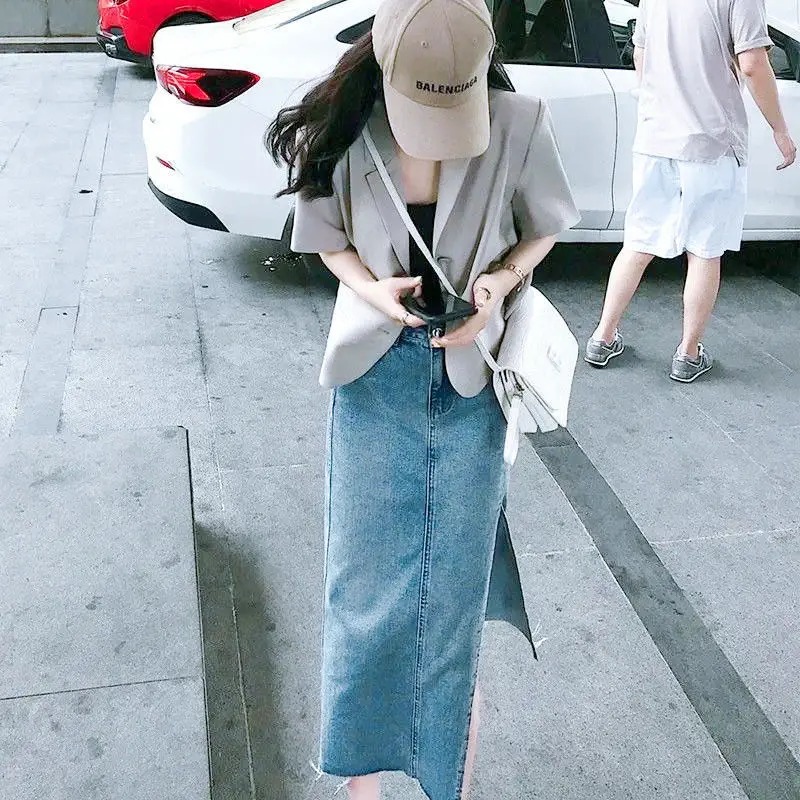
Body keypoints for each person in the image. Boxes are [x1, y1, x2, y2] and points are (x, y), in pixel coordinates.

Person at [266, 0, 580, 796]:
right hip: (373, 385)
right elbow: (325, 238)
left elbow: (545, 224)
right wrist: (372, 288)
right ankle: (362, 787)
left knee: (450, 607)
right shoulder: (343, 123)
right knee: (362, 599)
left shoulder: (518, 121)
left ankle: (447, 783)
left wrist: (500, 282)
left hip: (471, 390)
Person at [585, 0, 797, 382]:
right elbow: (752, 63)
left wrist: (659, 107)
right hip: (711, 142)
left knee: (638, 242)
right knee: (704, 250)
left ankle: (602, 336)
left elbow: (641, 54)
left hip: (655, 138)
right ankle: (688, 354)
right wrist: (780, 130)